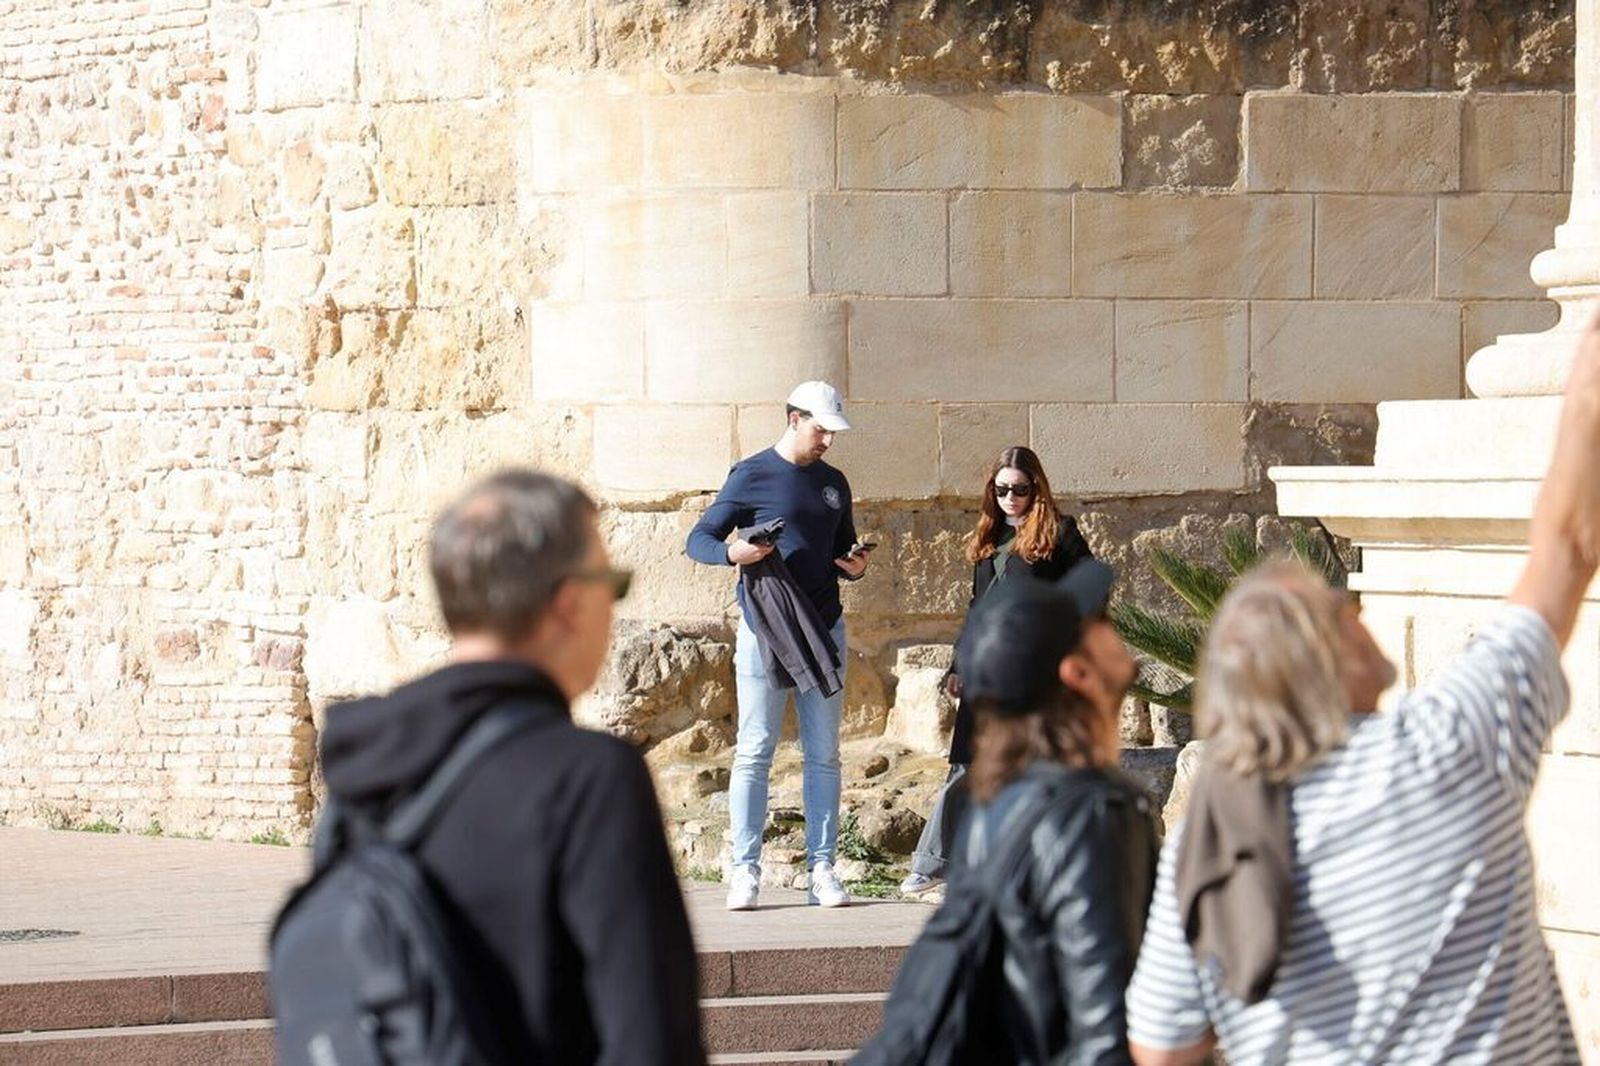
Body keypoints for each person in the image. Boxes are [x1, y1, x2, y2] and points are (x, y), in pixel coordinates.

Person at [1125, 317, 1600, 1066]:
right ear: (1319, 662)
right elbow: (1567, 547)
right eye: (1332, 609)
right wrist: (1585, 391)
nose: (1353, 607)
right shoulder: (1448, 743)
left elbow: (1161, 1049)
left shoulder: (1206, 835)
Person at [317, 470, 706, 1064]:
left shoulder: (365, 767)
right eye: (614, 584)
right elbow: (649, 1036)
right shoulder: (588, 778)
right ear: (570, 602)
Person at [861, 560, 1159, 1064]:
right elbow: (1107, 1031)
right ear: (1078, 673)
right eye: (1099, 627)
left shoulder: (1000, 802)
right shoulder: (1092, 814)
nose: (1116, 636)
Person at [685, 381, 871, 910]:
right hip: (766, 628)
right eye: (820, 430)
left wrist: (855, 567)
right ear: (794, 419)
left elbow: (840, 549)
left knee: (824, 755)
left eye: (832, 433)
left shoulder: (835, 483)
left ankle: (824, 869)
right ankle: (743, 871)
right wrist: (734, 553)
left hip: (824, 626)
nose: (828, 442)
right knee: (755, 748)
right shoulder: (751, 473)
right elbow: (698, 539)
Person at [901, 445, 1093, 899]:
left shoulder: (1060, 534)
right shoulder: (989, 540)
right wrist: (957, 664)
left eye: (1020, 489)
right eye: (1002, 488)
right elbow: (976, 611)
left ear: (1036, 488)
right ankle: (934, 864)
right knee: (967, 769)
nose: (1010, 497)